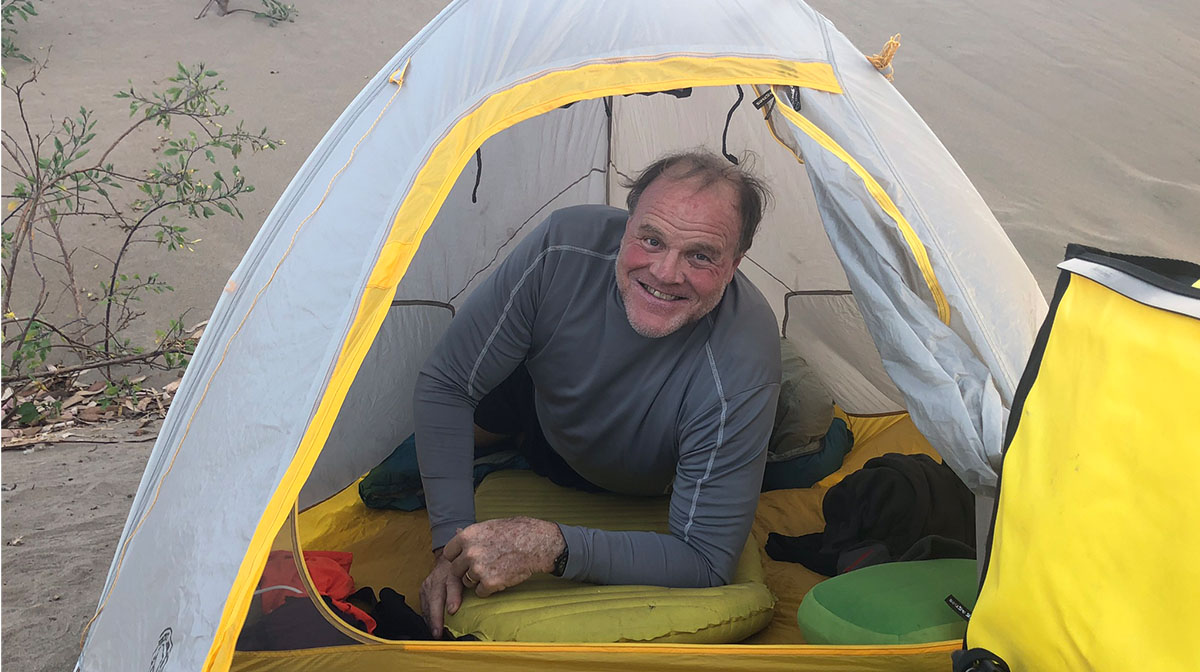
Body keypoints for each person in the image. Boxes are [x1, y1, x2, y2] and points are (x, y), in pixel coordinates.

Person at [414, 151, 781, 637]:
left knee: (797, 434)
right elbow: (447, 382)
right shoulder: (562, 249)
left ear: (734, 264)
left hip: (652, 463)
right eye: (651, 239)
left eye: (700, 255)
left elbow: (707, 560)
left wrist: (552, 546)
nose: (666, 272)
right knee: (463, 427)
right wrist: (449, 545)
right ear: (626, 227)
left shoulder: (743, 361)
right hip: (546, 400)